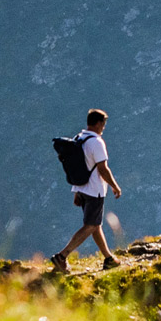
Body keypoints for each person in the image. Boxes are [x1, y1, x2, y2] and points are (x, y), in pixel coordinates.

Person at [51, 108, 121, 272]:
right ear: (98, 123)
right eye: (103, 124)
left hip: (82, 188)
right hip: (94, 190)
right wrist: (115, 186)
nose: (103, 128)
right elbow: (103, 169)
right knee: (90, 225)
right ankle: (61, 257)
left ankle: (109, 258)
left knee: (95, 225)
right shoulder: (96, 142)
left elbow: (77, 167)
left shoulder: (79, 138)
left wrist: (77, 190)